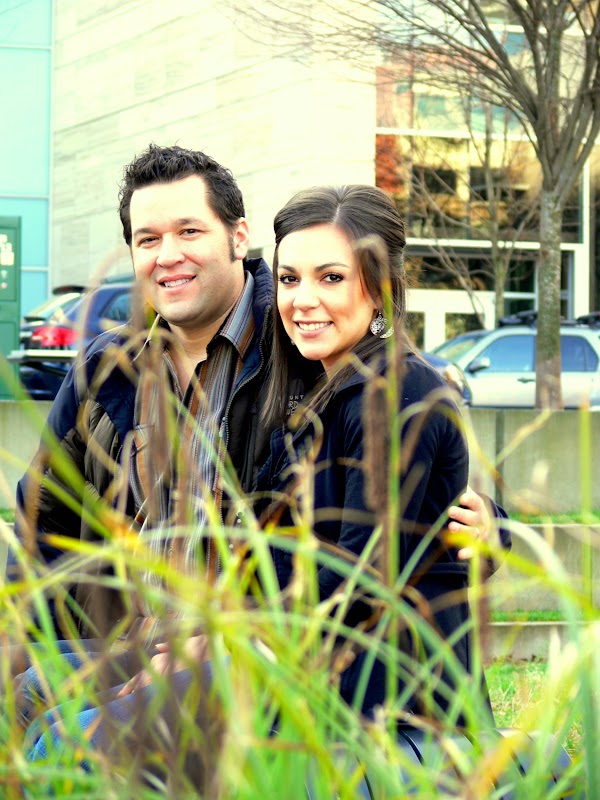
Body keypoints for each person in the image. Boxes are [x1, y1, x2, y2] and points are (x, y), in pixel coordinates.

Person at [9, 149, 504, 766]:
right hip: (151, 634)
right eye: (148, 239)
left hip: (285, 656)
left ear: (237, 237)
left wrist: (489, 526)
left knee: (71, 742)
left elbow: (400, 523)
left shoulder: (304, 346)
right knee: (19, 695)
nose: (168, 255)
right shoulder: (108, 367)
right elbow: (40, 526)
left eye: (189, 231)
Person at [255, 184, 504, 720]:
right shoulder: (323, 388)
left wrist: (237, 641)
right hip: (312, 674)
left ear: (380, 288)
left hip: (380, 706)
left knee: (91, 732)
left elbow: (360, 577)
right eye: (289, 279)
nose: (302, 299)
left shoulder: (393, 390)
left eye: (331, 277)